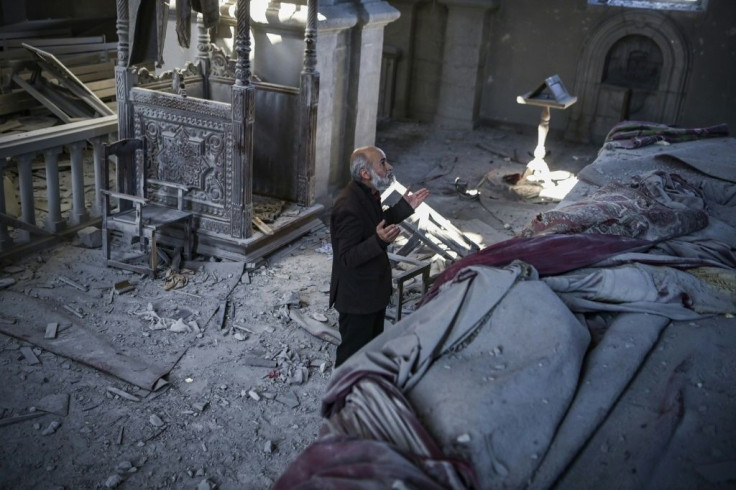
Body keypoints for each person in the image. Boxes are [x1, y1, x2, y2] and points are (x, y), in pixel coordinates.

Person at [329, 146, 429, 367]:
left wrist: (404, 208)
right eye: (382, 163)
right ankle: (341, 398)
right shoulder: (348, 206)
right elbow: (346, 257)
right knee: (351, 357)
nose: (389, 167)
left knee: (371, 350)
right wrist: (379, 241)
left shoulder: (368, 193)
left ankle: (364, 392)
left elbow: (376, 223)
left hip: (372, 292)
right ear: (365, 173)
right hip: (357, 299)